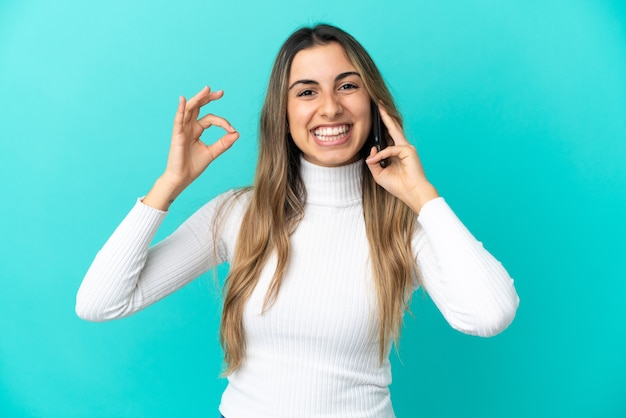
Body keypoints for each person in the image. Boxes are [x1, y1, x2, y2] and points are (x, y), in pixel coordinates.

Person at [76, 24, 519, 418]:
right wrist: (169, 184)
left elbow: (490, 314)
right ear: (284, 115)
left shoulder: (403, 226)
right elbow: (99, 302)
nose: (329, 109)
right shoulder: (239, 213)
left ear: (374, 103)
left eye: (347, 86)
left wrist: (423, 196)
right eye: (307, 92)